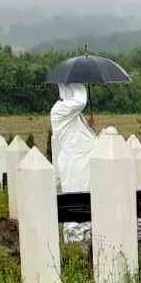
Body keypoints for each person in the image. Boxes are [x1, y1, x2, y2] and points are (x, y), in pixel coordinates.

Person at [50, 82, 95, 240]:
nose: (76, 89)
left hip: (81, 162)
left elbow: (78, 133)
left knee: (85, 199)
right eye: (74, 86)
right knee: (75, 199)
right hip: (73, 163)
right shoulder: (60, 109)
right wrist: (81, 84)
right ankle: (74, 239)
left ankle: (86, 236)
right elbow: (81, 101)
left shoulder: (73, 113)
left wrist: (88, 128)